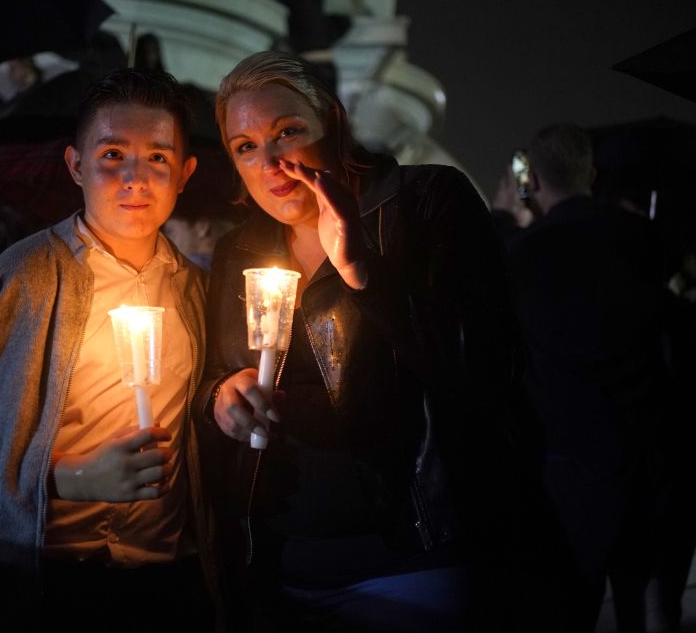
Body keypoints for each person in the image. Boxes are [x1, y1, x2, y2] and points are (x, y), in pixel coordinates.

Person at [195, 51, 522, 632]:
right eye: (245, 146)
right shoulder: (239, 252)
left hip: (412, 564)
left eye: (287, 132)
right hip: (278, 567)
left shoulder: (422, 203)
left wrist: (361, 271)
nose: (269, 162)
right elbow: (217, 371)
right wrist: (223, 397)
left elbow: (479, 367)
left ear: (334, 123)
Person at [0, 68, 220, 631]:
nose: (136, 177)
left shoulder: (194, 289)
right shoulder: (27, 278)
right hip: (54, 582)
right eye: (112, 154)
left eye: (158, 158)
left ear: (185, 174)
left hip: (166, 580)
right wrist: (72, 480)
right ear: (75, 166)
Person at [506, 124, 689, 632]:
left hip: (567, 474)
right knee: (643, 610)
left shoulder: (522, 256)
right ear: (591, 174)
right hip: (647, 463)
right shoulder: (645, 241)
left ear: (534, 181)